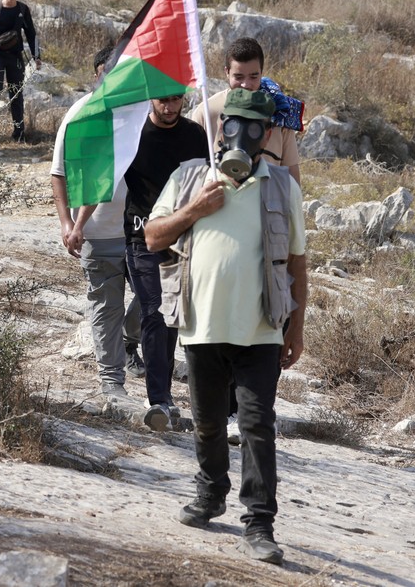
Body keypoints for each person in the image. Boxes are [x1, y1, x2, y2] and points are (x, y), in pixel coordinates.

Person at [145, 88, 307, 566]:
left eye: (255, 125)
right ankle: (210, 491)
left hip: (261, 328)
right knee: (209, 422)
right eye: (233, 122)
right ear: (220, 127)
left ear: (270, 134)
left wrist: (296, 329)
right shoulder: (190, 176)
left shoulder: (283, 186)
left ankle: (259, 522)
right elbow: (153, 237)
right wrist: (195, 209)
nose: (242, 132)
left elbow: (297, 262)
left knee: (257, 426)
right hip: (201, 325)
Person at [51, 43, 144, 399]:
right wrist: (65, 222)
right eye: (110, 71)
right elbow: (58, 173)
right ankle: (112, 382)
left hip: (142, 230)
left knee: (159, 297)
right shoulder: (80, 116)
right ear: (98, 73)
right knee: (106, 305)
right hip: (97, 231)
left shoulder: (141, 113)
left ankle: (130, 341)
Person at [124, 89, 210, 430]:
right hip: (140, 236)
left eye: (176, 99)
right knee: (155, 310)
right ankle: (157, 399)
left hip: (182, 239)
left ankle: (167, 397)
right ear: (150, 98)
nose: (169, 106)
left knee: (172, 316)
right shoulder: (133, 134)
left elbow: (206, 181)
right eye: (163, 99)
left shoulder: (194, 136)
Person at [197, 38, 303, 185]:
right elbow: (193, 172)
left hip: (267, 202)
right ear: (227, 72)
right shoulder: (207, 112)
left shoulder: (280, 113)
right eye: (238, 77)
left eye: (254, 76)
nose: (246, 84)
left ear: (261, 72)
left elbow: (291, 174)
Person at [0, 0, 41, 143]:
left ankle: (19, 133)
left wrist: (36, 56)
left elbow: (31, 34)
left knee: (16, 93)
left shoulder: (23, 10)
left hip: (15, 56)